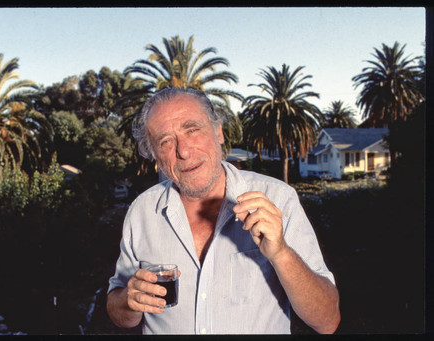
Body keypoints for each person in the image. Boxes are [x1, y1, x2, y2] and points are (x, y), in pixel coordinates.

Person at [106, 88, 340, 334]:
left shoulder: (278, 199)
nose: (183, 151)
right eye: (165, 141)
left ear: (218, 131)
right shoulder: (141, 212)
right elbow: (118, 310)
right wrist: (129, 302)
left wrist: (281, 253)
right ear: (154, 155)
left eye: (192, 130)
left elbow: (327, 321)